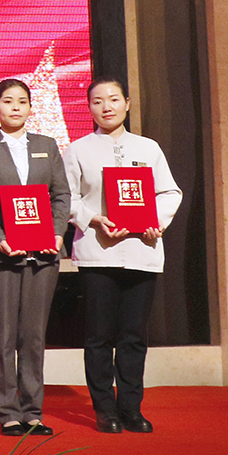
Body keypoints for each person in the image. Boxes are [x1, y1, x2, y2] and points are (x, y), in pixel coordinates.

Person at [64, 76, 180, 433]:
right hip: (98, 253)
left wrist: (155, 223)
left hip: (141, 250)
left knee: (133, 335)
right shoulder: (78, 150)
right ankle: (104, 409)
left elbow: (169, 193)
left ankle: (131, 407)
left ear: (127, 104)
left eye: (114, 99)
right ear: (89, 108)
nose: (107, 107)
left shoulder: (148, 148)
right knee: (99, 336)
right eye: (98, 101)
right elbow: (66, 198)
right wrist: (94, 219)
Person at [0, 78, 69, 436]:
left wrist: (57, 233)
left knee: (34, 335)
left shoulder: (46, 145)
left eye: (22, 101)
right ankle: (8, 411)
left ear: (31, 107)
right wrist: (0, 237)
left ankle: (33, 411)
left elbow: (61, 194)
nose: (15, 107)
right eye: (8, 101)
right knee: (4, 335)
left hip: (44, 253)